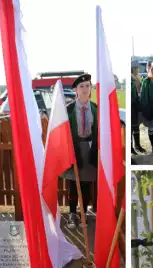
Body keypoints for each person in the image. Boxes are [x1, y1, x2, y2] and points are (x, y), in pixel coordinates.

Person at [63, 74, 98, 228]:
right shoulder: (68, 109)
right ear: (75, 90)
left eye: (88, 86)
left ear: (91, 89)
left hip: (89, 148)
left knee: (86, 184)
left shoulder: (95, 108)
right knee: (72, 183)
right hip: (73, 148)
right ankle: (72, 214)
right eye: (81, 86)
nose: (85, 89)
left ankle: (83, 213)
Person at [130, 64, 147, 155]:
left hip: (137, 105)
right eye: (136, 68)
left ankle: (138, 145)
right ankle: (131, 148)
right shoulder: (131, 79)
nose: (138, 69)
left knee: (136, 126)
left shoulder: (138, 78)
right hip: (132, 106)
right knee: (131, 127)